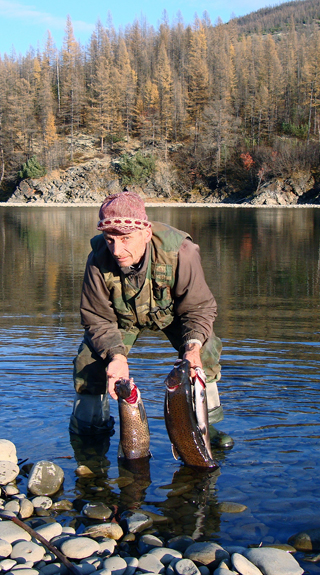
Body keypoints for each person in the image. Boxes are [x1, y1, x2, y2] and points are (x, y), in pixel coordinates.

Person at [69, 192, 233, 449]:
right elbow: (97, 318)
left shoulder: (181, 251)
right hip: (120, 322)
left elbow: (199, 308)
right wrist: (116, 357)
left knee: (206, 349)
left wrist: (192, 348)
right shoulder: (97, 259)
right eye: (110, 239)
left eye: (125, 238)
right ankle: (90, 432)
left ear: (145, 233)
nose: (116, 249)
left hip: (174, 316)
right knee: (89, 360)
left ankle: (205, 425)